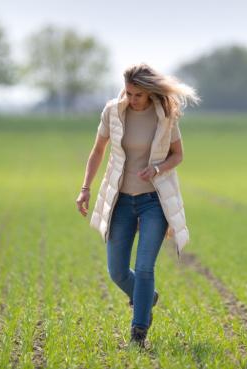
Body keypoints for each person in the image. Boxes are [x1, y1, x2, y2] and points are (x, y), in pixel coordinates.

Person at [75, 62, 200, 348]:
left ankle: (138, 332)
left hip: (153, 202)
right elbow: (97, 152)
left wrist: (156, 170)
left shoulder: (165, 115)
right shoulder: (112, 112)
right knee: (117, 271)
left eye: (138, 95)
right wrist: (85, 189)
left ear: (150, 93)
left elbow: (178, 155)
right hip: (120, 201)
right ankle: (147, 297)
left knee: (144, 268)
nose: (131, 99)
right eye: (128, 93)